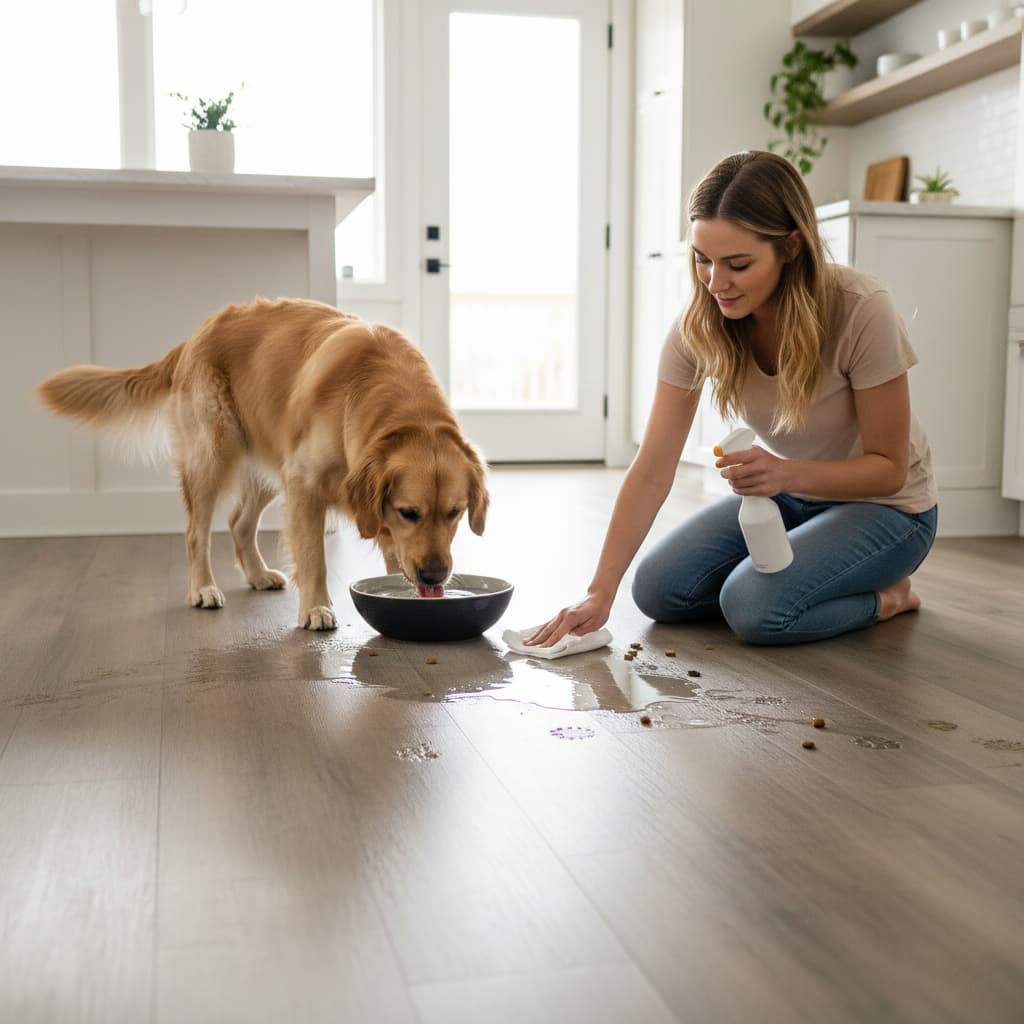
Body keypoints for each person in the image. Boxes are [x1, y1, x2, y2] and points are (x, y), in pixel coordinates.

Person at [527, 149, 938, 647]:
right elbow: (653, 467)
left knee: (753, 608)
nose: (715, 283)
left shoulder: (860, 310)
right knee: (657, 591)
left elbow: (889, 468)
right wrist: (597, 592)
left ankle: (890, 597)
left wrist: (783, 473)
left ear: (790, 247)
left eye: (738, 264)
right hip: (792, 496)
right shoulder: (700, 325)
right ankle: (804, 573)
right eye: (703, 260)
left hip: (890, 510)